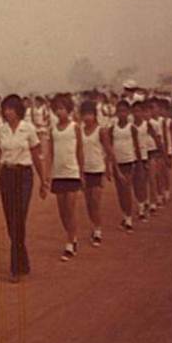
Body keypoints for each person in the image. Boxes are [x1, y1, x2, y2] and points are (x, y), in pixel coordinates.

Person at [0, 95, 47, 283]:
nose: (8, 112)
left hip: (24, 176)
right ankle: (23, 261)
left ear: (18, 110)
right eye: (5, 109)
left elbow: (36, 155)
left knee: (19, 218)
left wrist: (44, 180)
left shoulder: (29, 129)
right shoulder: (1, 130)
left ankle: (15, 268)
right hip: (7, 175)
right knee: (11, 221)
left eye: (11, 108)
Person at [48, 93, 84, 262]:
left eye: (62, 108)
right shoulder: (53, 130)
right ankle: (73, 236)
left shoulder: (75, 127)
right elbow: (51, 153)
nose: (59, 112)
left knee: (70, 209)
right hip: (58, 174)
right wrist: (48, 175)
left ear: (68, 110)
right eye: (57, 109)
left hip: (72, 172)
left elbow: (80, 151)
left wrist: (82, 172)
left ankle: (70, 243)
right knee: (62, 212)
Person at [80, 100, 115, 247]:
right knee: (88, 203)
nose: (87, 118)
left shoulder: (101, 131)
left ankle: (98, 230)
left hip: (98, 169)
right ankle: (94, 226)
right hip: (84, 170)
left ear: (95, 115)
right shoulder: (79, 130)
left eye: (90, 114)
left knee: (95, 201)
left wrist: (110, 168)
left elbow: (108, 150)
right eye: (84, 115)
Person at [109, 100, 140, 233]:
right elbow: (110, 149)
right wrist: (111, 165)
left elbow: (136, 146)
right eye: (119, 111)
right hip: (117, 164)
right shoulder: (112, 129)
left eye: (124, 111)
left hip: (129, 162)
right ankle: (124, 215)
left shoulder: (132, 128)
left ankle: (129, 219)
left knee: (127, 191)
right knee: (120, 192)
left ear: (128, 113)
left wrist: (138, 163)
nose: (122, 114)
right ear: (116, 113)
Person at [132, 102, 160, 221]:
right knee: (138, 183)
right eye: (135, 111)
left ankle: (152, 202)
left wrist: (160, 153)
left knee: (151, 179)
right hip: (136, 157)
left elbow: (156, 138)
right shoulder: (131, 126)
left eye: (139, 111)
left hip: (149, 154)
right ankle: (142, 204)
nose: (137, 114)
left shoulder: (147, 125)